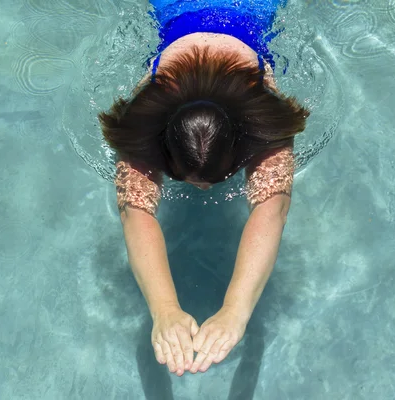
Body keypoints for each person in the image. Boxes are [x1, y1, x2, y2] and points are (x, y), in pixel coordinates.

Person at [98, 0, 309, 377]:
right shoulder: (142, 121)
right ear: (162, 147)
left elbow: (271, 209)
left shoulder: (263, 116)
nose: (203, 190)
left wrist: (235, 310)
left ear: (242, 146)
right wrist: (164, 309)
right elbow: (135, 211)